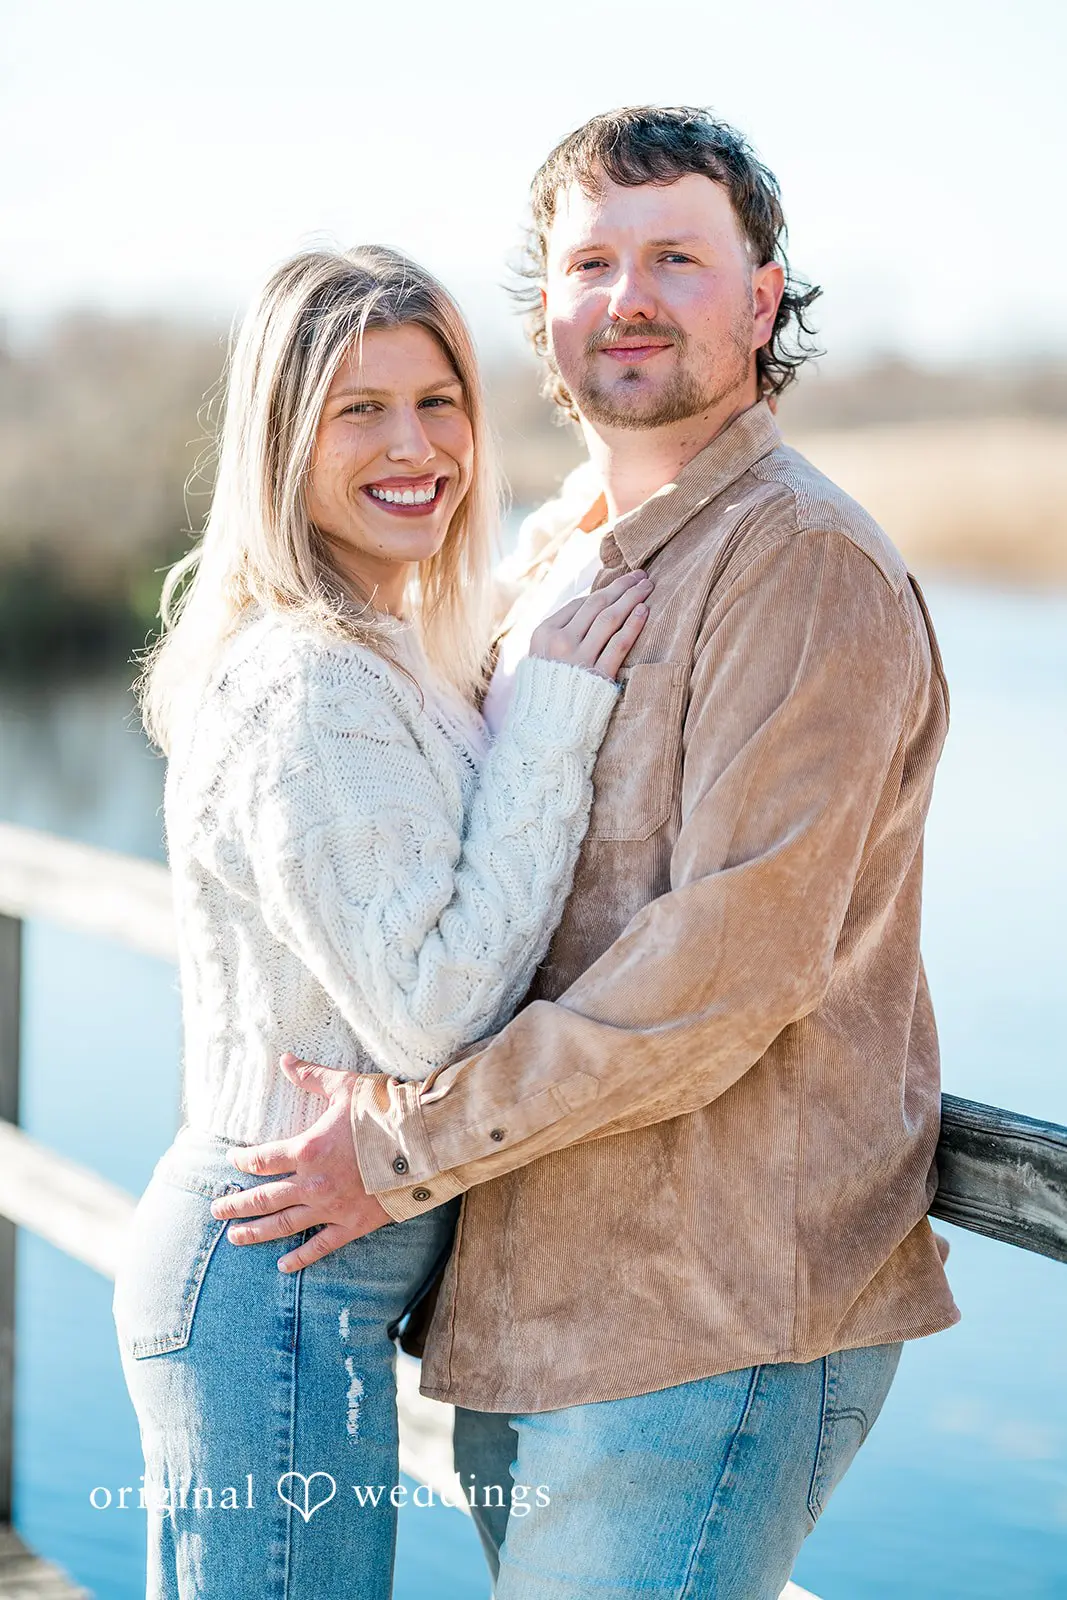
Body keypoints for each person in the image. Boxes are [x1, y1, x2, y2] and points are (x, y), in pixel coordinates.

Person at [215, 107, 961, 1599]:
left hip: (711, 1310)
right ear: (543, 312)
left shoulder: (793, 562)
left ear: (758, 302)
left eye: (675, 258)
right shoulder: (556, 557)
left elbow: (720, 976)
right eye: (589, 263)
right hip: (528, 1294)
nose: (626, 296)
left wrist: (397, 1147)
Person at [111, 242, 653, 1599]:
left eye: (439, 402)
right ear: (281, 441)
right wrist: (553, 718)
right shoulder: (307, 686)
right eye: (360, 410)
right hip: (268, 1287)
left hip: (308, 1286)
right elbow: (433, 1012)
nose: (415, 446)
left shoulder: (387, 645)